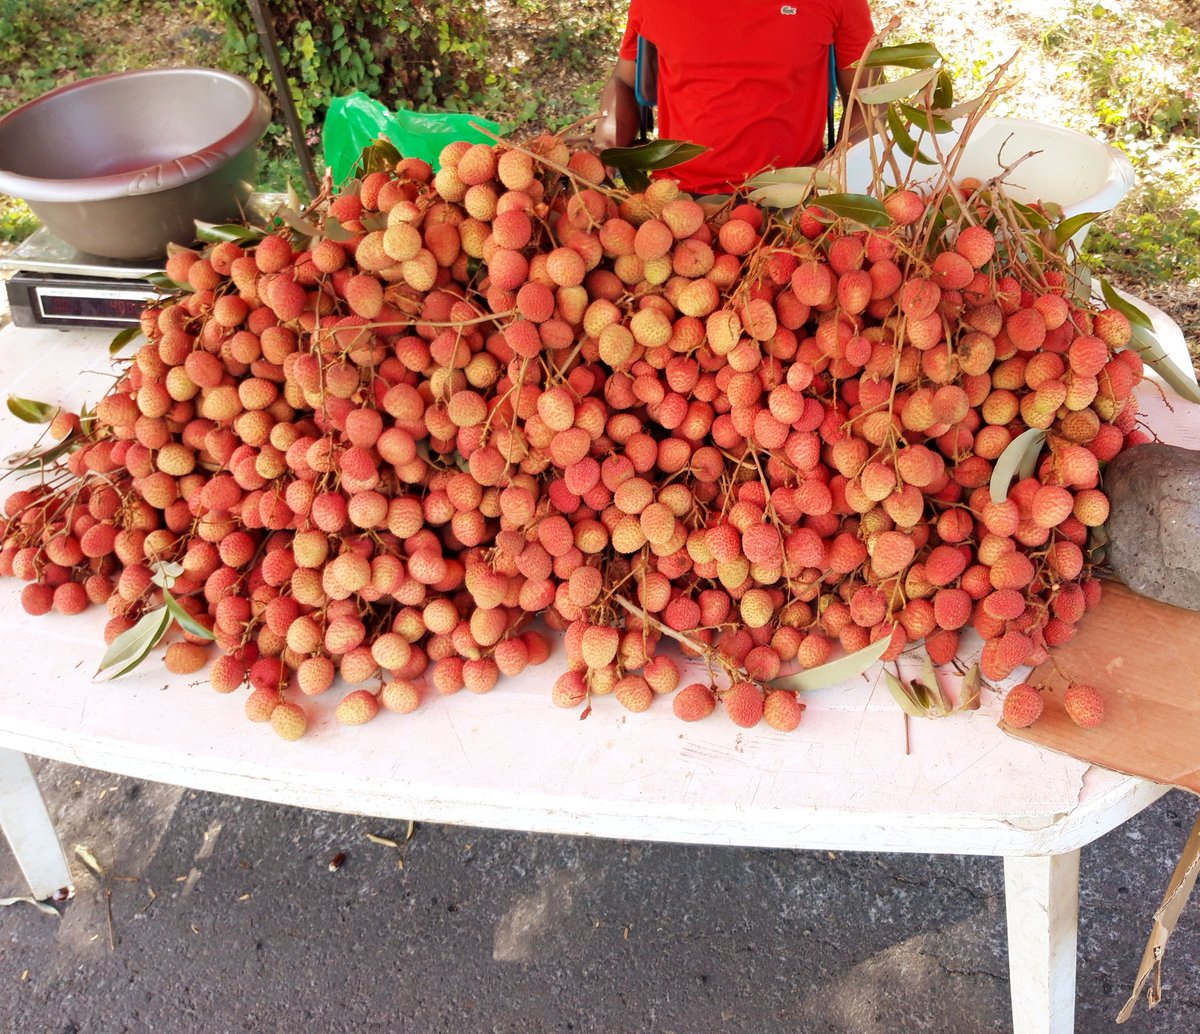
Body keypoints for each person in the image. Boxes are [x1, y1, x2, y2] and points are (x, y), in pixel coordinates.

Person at [594, 1, 877, 196]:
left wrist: (836, 171)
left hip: (793, 198)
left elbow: (869, 96)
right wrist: (605, 148)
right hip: (676, 202)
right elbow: (625, 82)